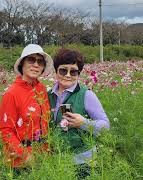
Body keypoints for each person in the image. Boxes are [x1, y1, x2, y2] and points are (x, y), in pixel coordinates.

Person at [47, 48, 110, 178]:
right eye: (63, 70)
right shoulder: (48, 95)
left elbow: (105, 126)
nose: (68, 75)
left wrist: (83, 123)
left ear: (79, 74)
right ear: (56, 71)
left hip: (83, 163)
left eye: (74, 71)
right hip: (57, 161)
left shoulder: (86, 95)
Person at [0, 44, 53, 169]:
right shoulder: (11, 93)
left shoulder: (42, 89)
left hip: (43, 155)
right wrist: (25, 155)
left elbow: (45, 123)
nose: (36, 65)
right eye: (31, 60)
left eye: (40, 62)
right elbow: (6, 131)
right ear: (22, 64)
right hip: (21, 162)